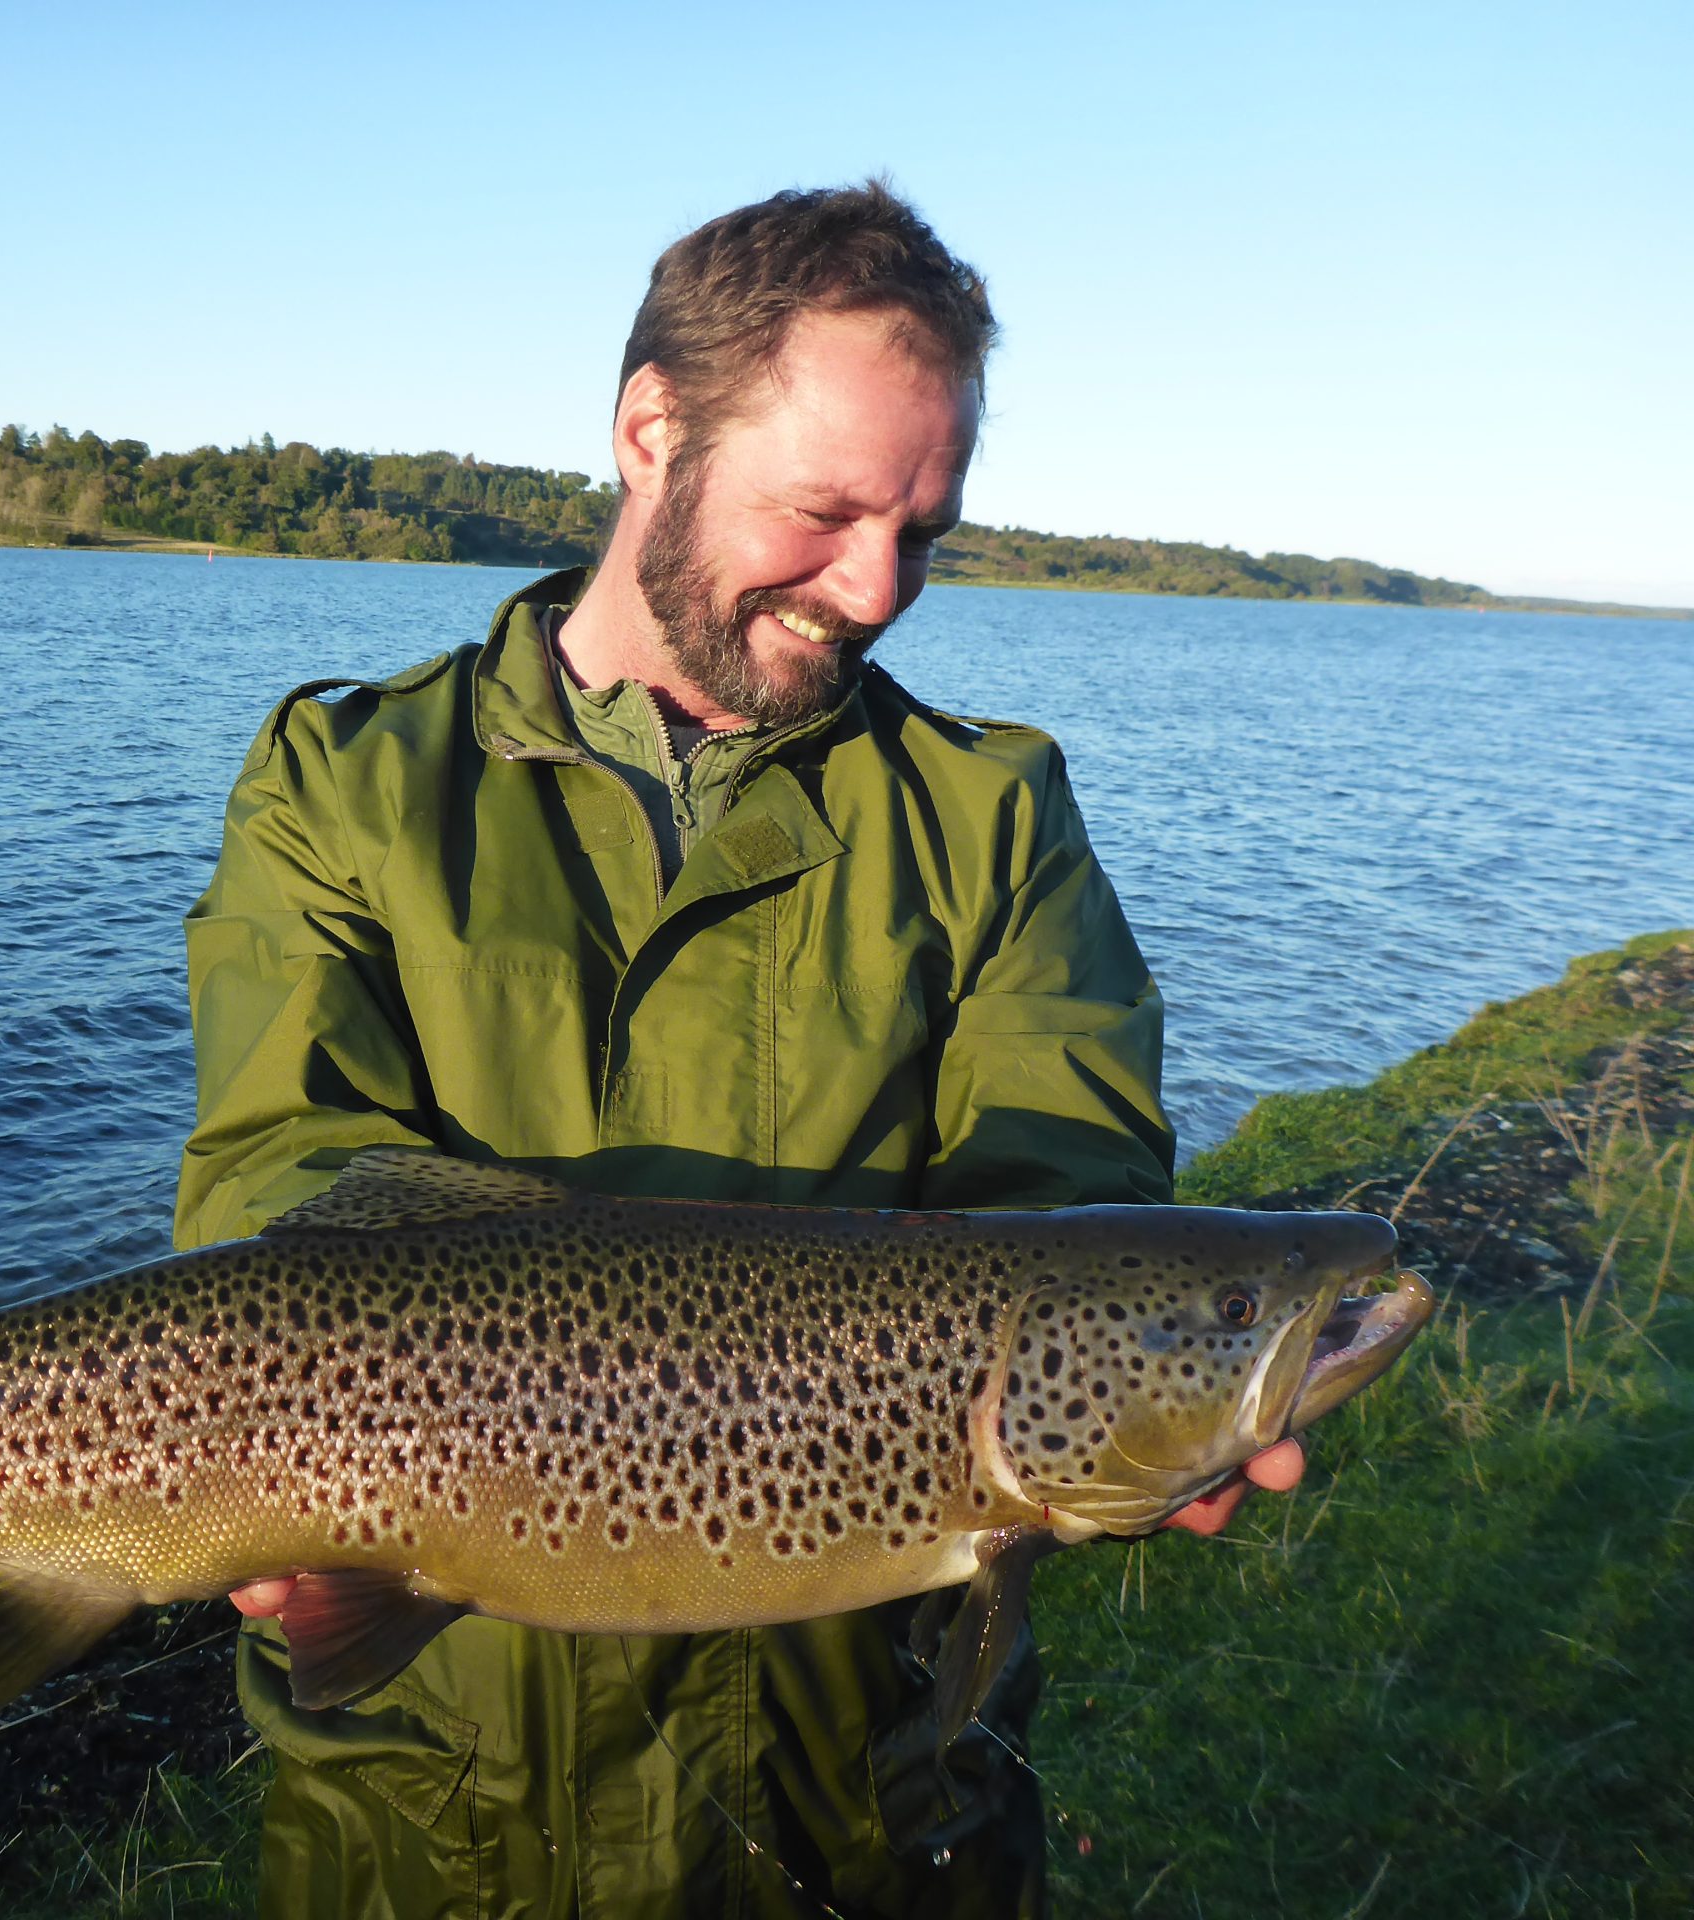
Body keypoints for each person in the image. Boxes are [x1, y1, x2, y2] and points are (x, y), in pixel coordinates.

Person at [172, 182, 1302, 1919]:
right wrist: (307, 1456)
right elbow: (282, 1172)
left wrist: (1159, 1414)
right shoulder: (345, 785)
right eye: (827, 510)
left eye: (924, 530)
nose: (875, 588)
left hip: (865, 1799)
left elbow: (1070, 1201)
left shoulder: (994, 819)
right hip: (434, 1811)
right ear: (651, 431)